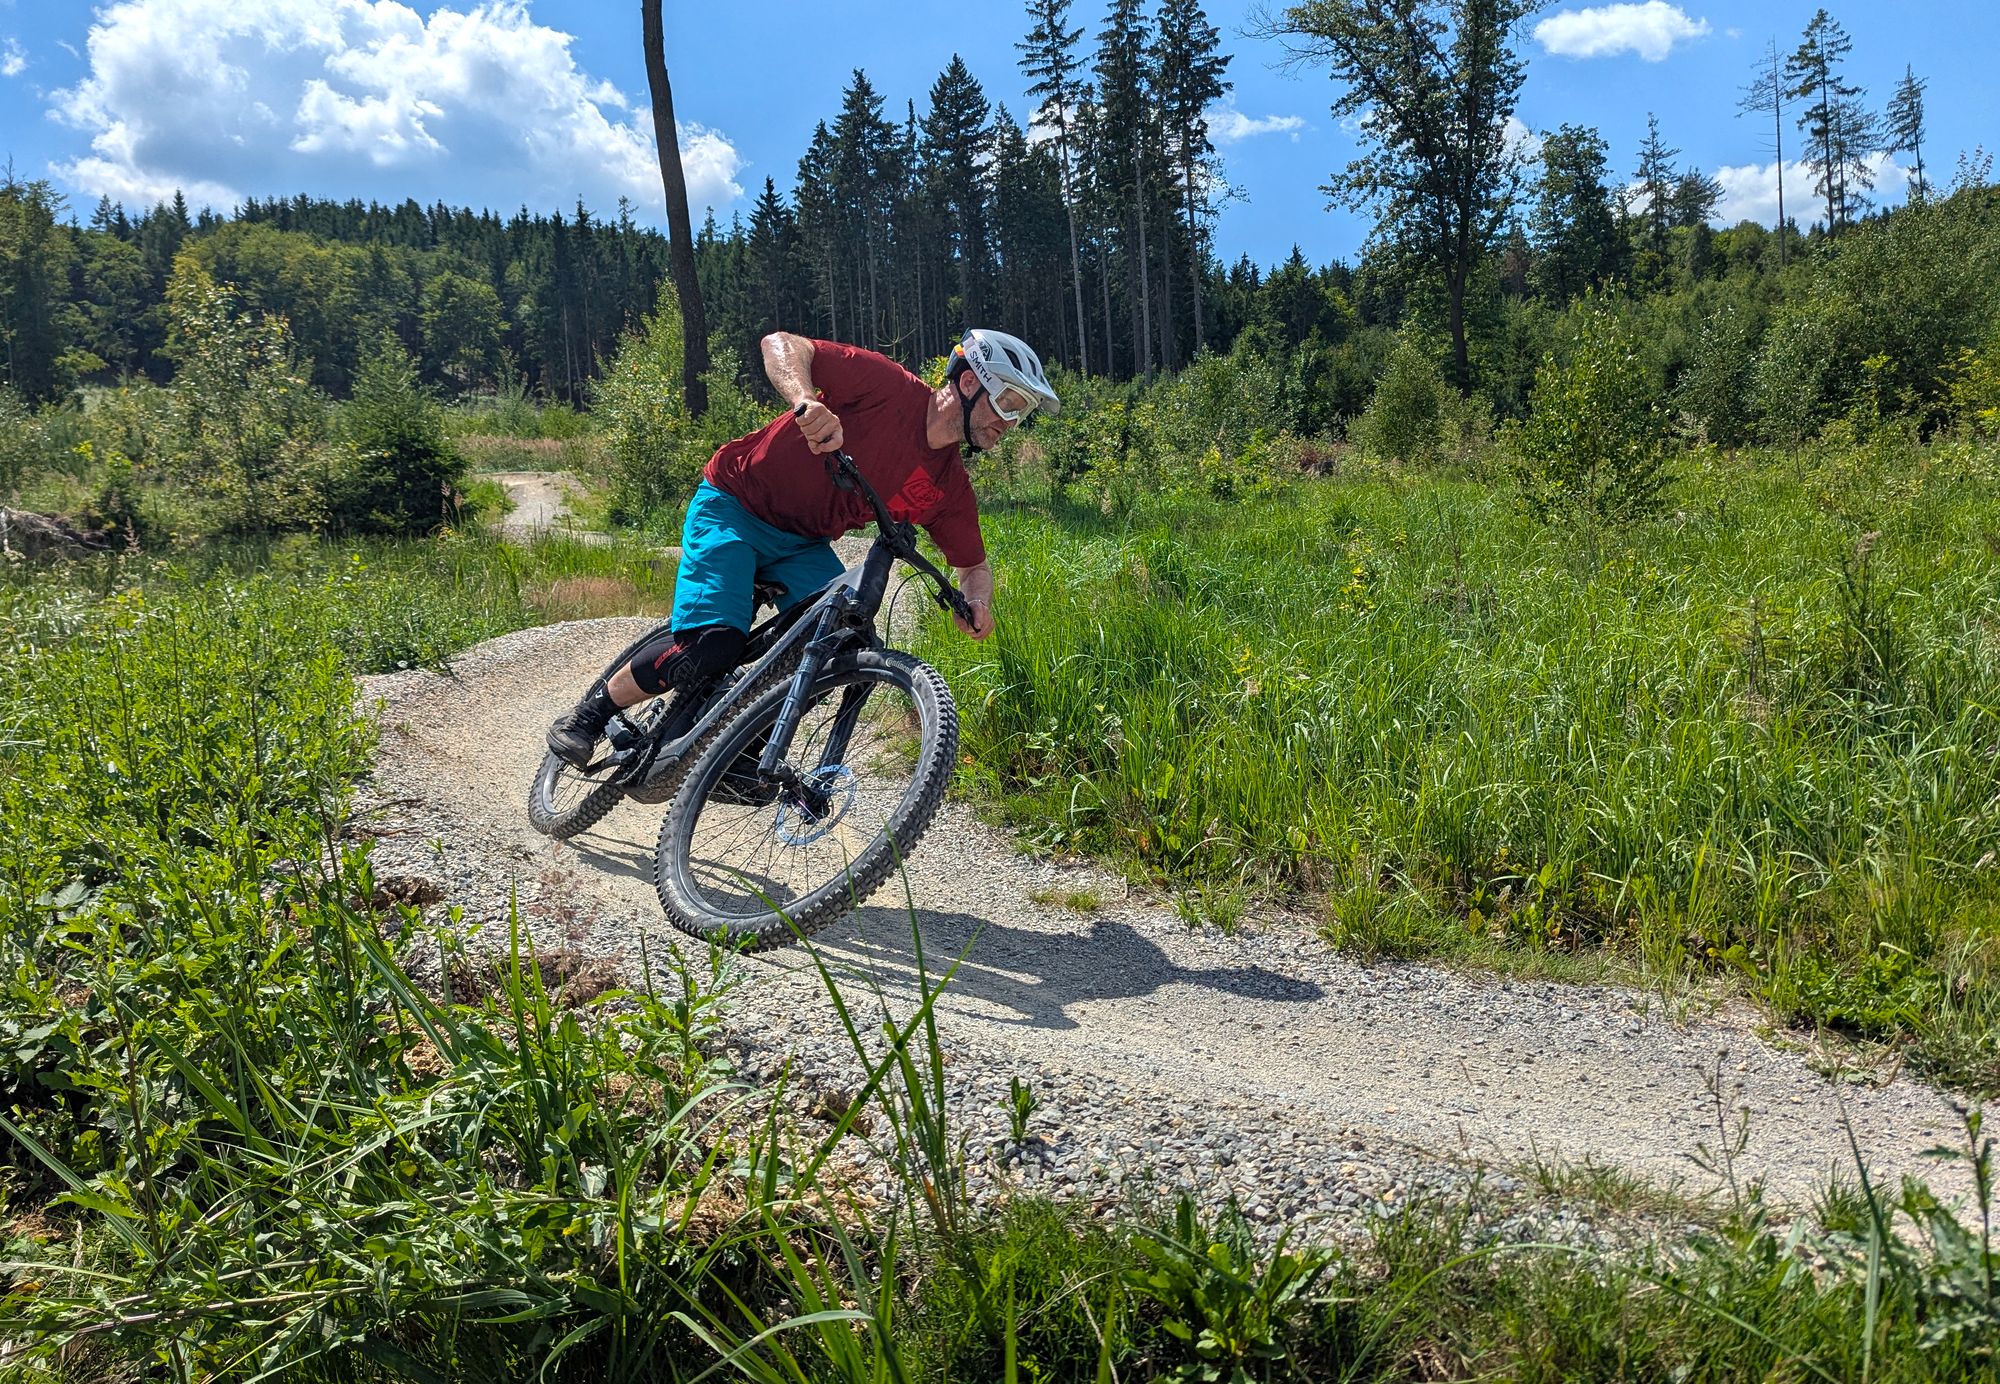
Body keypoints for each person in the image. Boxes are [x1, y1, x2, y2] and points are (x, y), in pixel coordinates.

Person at [545, 327, 1060, 766]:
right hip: (736, 504)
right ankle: (590, 714)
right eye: (1009, 403)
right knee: (712, 645)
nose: (1011, 422)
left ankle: (742, 752)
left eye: (1022, 413)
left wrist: (978, 601)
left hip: (802, 544)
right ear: (968, 382)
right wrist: (805, 400)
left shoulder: (948, 486)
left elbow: (973, 566)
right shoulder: (888, 387)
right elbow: (783, 344)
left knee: (840, 647)